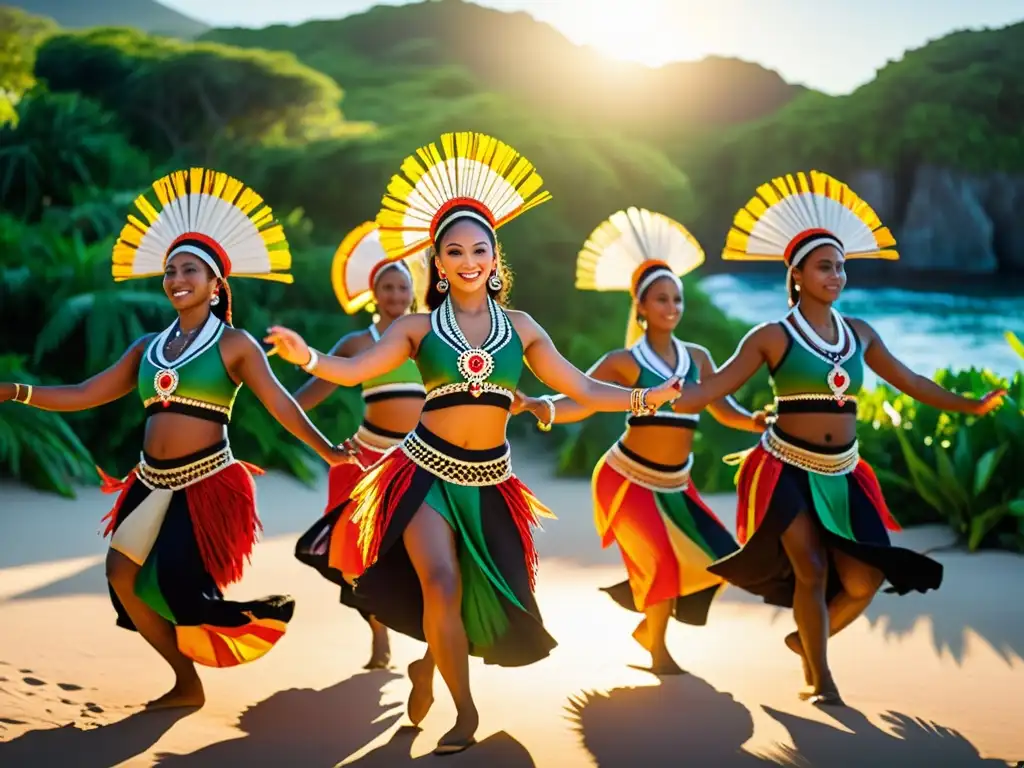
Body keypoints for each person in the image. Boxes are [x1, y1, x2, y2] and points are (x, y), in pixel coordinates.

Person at [263, 131, 682, 754]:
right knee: (441, 583)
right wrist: (310, 357)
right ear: (437, 261)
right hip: (422, 474)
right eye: (453, 250)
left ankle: (428, 667)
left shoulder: (522, 328)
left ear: (494, 256)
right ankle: (464, 714)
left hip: (491, 483)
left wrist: (646, 398)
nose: (466, 259)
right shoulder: (414, 327)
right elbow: (355, 370)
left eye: (478, 249)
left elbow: (586, 388)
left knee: (476, 593)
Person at [0, 168, 351, 710]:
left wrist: (327, 450)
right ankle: (185, 682)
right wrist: (17, 391)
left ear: (216, 284)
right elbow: (86, 392)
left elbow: (280, 403)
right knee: (121, 576)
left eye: (190, 269)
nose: (176, 277)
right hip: (148, 481)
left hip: (208, 483)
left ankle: (225, 645)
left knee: (185, 590)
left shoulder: (235, 345)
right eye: (169, 270)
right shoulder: (147, 346)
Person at [667, 170, 1006, 706]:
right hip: (786, 469)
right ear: (796, 274)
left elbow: (911, 381)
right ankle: (821, 680)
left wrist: (969, 403)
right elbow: (712, 389)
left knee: (865, 581)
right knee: (813, 568)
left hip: (843, 473)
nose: (838, 275)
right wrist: (643, 400)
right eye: (826, 266)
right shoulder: (771, 336)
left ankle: (805, 639)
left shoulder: (861, 333)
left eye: (842, 266)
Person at [513, 207, 767, 674]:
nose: (672, 308)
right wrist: (540, 406)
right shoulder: (625, 362)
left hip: (676, 485)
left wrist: (757, 422)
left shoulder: (698, 358)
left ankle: (648, 625)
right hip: (626, 479)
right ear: (641, 307)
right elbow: (583, 399)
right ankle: (658, 652)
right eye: (662, 300)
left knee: (724, 560)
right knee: (662, 563)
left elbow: (720, 408)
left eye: (678, 299)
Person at [293, 221, 429, 670]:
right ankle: (379, 635)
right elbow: (304, 397)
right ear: (374, 292)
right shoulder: (358, 343)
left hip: (422, 460)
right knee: (365, 557)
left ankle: (435, 636)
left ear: (413, 291)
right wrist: (313, 438)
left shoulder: (430, 338)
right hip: (368, 459)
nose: (395, 295)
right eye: (387, 287)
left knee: (423, 551)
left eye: (402, 287)